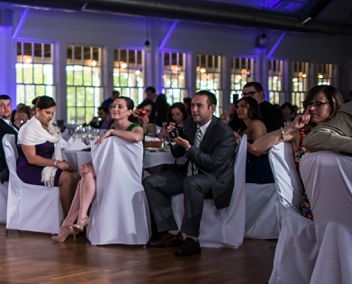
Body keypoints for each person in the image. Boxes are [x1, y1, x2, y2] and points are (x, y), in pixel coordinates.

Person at [142, 91, 237, 257]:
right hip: (189, 173)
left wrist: (188, 147)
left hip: (214, 178)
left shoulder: (224, 133)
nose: (194, 109)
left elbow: (213, 163)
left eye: (199, 106)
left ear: (212, 108)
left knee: (192, 182)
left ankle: (192, 238)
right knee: (151, 182)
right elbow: (178, 154)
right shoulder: (190, 123)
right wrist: (175, 140)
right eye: (192, 105)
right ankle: (171, 232)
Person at [53, 97, 144, 242]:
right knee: (86, 173)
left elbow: (138, 137)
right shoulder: (112, 128)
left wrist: (112, 133)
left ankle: (70, 224)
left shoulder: (133, 127)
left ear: (129, 112)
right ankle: (81, 218)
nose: (115, 109)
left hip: (126, 174)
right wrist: (89, 164)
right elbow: (105, 155)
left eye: (120, 107)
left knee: (84, 179)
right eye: (113, 106)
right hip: (111, 170)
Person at [249, 85, 345, 219]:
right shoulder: (300, 133)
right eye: (309, 104)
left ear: (333, 105)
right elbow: (256, 147)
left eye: (318, 104)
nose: (312, 108)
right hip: (313, 198)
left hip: (343, 192)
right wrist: (291, 127)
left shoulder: (344, 132)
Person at [16, 96, 78, 215]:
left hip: (45, 165)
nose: (50, 116)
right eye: (47, 112)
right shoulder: (28, 128)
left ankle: (77, 216)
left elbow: (54, 151)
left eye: (52, 113)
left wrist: (63, 162)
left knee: (76, 176)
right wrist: (57, 163)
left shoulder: (50, 128)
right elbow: (31, 158)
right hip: (29, 168)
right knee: (67, 178)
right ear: (37, 110)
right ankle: (68, 220)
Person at [231, 96, 273, 184]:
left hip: (260, 168)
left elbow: (259, 151)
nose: (239, 109)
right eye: (237, 107)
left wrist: (239, 138)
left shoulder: (256, 124)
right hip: (250, 166)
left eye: (243, 106)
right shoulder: (242, 127)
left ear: (252, 108)